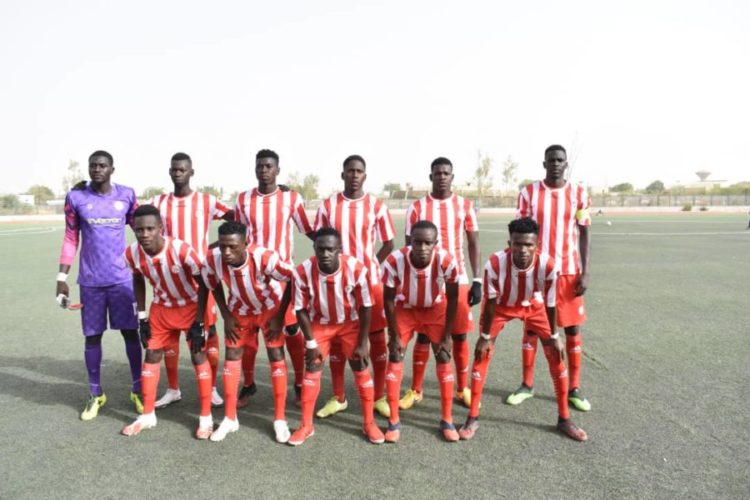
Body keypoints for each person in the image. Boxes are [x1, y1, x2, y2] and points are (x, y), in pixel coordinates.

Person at [458, 218, 587, 442]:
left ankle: (564, 418)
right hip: (501, 308)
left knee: (556, 354)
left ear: (537, 245)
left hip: (534, 307)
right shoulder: (495, 263)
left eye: (529, 245)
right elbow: (490, 302)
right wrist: (486, 337)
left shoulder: (548, 265)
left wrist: (555, 336)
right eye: (518, 244)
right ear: (510, 243)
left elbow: (550, 303)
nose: (523, 250)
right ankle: (473, 417)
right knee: (483, 353)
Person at [56, 150, 142, 420]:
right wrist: (61, 278)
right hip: (91, 283)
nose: (97, 170)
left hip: (122, 280)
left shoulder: (126, 195)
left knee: (131, 333)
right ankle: (96, 393)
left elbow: (143, 227)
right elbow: (71, 238)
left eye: (102, 166)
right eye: (93, 166)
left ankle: (138, 390)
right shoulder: (77, 198)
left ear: (112, 169)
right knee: (92, 337)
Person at [507, 145, 593, 412]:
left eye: (560, 160)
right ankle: (526, 385)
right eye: (551, 160)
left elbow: (584, 231)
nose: (555, 164)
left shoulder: (579, 193)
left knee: (572, 329)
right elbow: (520, 234)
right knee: (532, 328)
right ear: (543, 164)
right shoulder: (529, 194)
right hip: (537, 272)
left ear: (566, 164)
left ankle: (574, 389)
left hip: (568, 271)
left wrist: (585, 270)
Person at [120, 205, 213, 438]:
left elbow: (203, 283)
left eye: (150, 228)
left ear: (161, 228)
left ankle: (205, 417)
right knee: (151, 354)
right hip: (161, 308)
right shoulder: (131, 253)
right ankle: (147, 415)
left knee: (197, 354)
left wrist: (200, 321)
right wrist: (141, 317)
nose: (145, 234)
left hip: (191, 305)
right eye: (139, 229)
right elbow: (138, 279)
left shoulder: (181, 250)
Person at [150, 152, 232, 410]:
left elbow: (238, 219)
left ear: (191, 172)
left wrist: (211, 248)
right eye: (174, 169)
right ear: (170, 171)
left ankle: (214, 388)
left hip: (200, 280)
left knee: (207, 334)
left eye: (182, 169)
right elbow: (138, 218)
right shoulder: (158, 203)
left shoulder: (207, 201)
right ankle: (173, 389)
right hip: (169, 280)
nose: (178, 173)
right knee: (169, 338)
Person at [314, 155, 395, 418]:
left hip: (370, 284)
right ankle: (339, 397)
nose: (354, 175)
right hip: (336, 284)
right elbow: (320, 239)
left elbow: (389, 244)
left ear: (365, 176)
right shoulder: (328, 206)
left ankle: (379, 396)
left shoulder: (376, 206)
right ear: (343, 175)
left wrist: (371, 265)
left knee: (377, 339)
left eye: (359, 171)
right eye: (350, 171)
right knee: (338, 340)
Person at [287, 228, 385, 446]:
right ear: (314, 248)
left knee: (360, 367)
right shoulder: (302, 271)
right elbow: (300, 309)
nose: (325, 253)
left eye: (331, 249)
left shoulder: (356, 270)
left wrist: (362, 342)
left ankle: (369, 423)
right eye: (320, 249)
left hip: (350, 324)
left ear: (339, 250)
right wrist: (311, 343)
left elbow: (366, 306)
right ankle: (306, 425)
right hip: (319, 325)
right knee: (312, 369)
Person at [233, 149, 314, 408]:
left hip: (282, 277)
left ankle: (300, 382)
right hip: (252, 276)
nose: (264, 170)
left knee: (291, 329)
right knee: (249, 332)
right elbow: (236, 236)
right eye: (260, 166)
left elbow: (308, 229)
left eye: (269, 166)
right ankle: (248, 384)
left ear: (277, 170)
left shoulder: (291, 198)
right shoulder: (243, 200)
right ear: (255, 169)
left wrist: (334, 246)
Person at [201, 221, 293, 443]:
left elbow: (292, 278)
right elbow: (211, 284)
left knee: (276, 355)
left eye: (232, 246)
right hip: (239, 311)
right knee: (232, 356)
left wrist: (280, 317)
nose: (226, 252)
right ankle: (230, 418)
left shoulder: (264, 257)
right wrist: (226, 315)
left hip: (270, 308)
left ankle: (280, 419)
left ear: (246, 243)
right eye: (222, 246)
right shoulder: (213, 258)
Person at [401, 157, 481, 411]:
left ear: (452, 177)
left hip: (457, 281)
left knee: (458, 336)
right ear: (431, 176)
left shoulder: (465, 206)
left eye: (446, 173)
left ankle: (462, 388)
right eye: (437, 173)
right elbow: (408, 247)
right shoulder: (417, 207)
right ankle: (416, 390)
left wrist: (476, 279)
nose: (442, 177)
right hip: (424, 280)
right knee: (423, 336)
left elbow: (473, 243)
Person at [382, 221, 460, 442]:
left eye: (428, 243)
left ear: (435, 244)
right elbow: (387, 299)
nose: (422, 247)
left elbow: (453, 297)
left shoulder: (446, 261)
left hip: (435, 309)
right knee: (396, 353)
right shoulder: (394, 261)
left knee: (444, 354)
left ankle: (447, 420)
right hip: (405, 309)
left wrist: (446, 336)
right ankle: (393, 421)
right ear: (410, 242)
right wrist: (394, 334)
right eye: (417, 242)